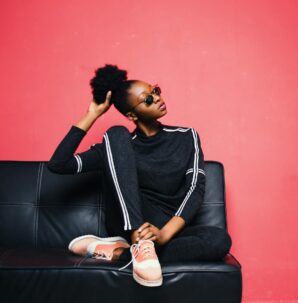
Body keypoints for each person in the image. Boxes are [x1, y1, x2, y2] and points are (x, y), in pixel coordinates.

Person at [47, 64, 232, 287]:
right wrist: (92, 114)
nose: (157, 98)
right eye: (148, 99)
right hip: (129, 223)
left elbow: (195, 187)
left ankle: (117, 253)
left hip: (165, 228)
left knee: (219, 240)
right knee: (116, 133)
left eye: (155, 91)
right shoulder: (118, 146)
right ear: (132, 114)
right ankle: (137, 241)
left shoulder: (186, 136)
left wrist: (163, 234)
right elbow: (59, 164)